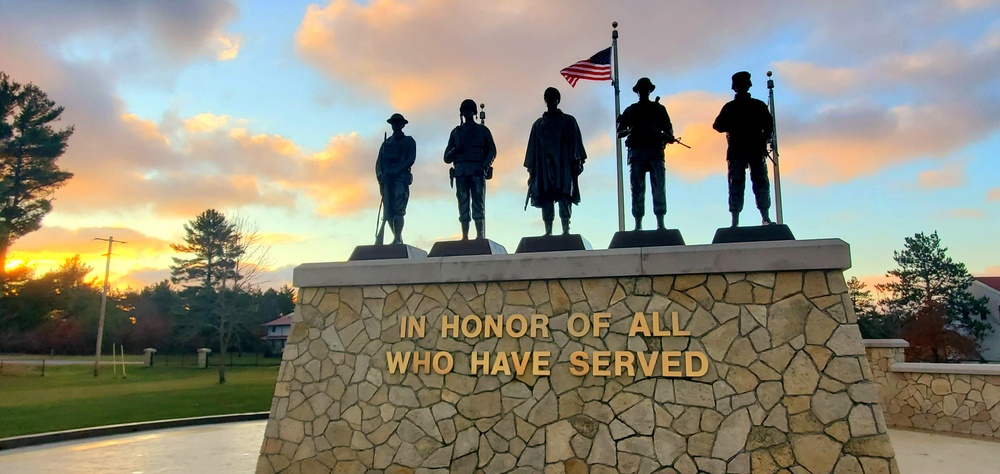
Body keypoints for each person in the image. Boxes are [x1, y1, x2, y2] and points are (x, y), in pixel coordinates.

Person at [712, 71, 775, 227]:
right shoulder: (731, 108)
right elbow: (718, 125)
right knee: (736, 183)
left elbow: (769, 127)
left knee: (760, 182)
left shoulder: (757, 105)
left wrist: (763, 138)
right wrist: (736, 125)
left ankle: (764, 217)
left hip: (753, 149)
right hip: (737, 149)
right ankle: (736, 220)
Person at [524, 87, 587, 236]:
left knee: (564, 195)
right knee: (546, 195)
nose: (550, 101)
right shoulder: (538, 125)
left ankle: (566, 229)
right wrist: (532, 173)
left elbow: (576, 144)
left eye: (553, 98)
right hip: (544, 167)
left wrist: (577, 162)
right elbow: (532, 151)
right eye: (547, 98)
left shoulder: (568, 121)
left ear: (558, 100)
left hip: (563, 166)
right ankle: (548, 231)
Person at [617, 77, 675, 231]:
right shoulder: (631, 110)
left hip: (655, 152)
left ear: (650, 91)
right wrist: (631, 130)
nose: (643, 92)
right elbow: (620, 131)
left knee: (659, 188)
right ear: (637, 92)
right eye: (641, 89)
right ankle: (638, 225)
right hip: (637, 154)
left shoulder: (659, 110)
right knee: (637, 189)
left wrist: (658, 132)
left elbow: (670, 134)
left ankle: (660, 223)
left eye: (646, 89)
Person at [444, 99, 497, 240]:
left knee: (478, 202)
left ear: (474, 112)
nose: (467, 112)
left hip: (476, 171)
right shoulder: (456, 133)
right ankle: (465, 236)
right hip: (461, 171)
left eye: (469, 110)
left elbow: (492, 150)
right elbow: (446, 157)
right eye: (464, 110)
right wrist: (456, 150)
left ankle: (480, 235)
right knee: (463, 203)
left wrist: (484, 166)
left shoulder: (482, 130)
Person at [375, 113, 416, 244]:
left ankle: (397, 238)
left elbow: (410, 159)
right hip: (387, 180)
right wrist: (381, 175)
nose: (395, 125)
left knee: (399, 209)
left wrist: (395, 170)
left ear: (403, 125)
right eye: (393, 123)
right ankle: (397, 237)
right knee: (388, 211)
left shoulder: (408, 141)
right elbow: (379, 163)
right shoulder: (386, 143)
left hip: (400, 180)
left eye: (398, 122)